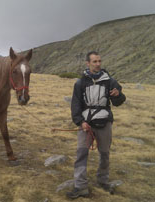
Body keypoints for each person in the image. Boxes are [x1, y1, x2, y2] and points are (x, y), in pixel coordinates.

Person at [66, 51, 126, 199]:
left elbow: (119, 102)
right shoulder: (80, 83)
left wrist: (118, 95)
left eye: (99, 61)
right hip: (86, 124)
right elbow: (76, 105)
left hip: (104, 123)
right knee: (81, 154)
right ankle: (80, 187)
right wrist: (81, 122)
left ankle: (102, 181)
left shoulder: (110, 81)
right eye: (94, 62)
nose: (98, 64)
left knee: (104, 154)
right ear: (88, 63)